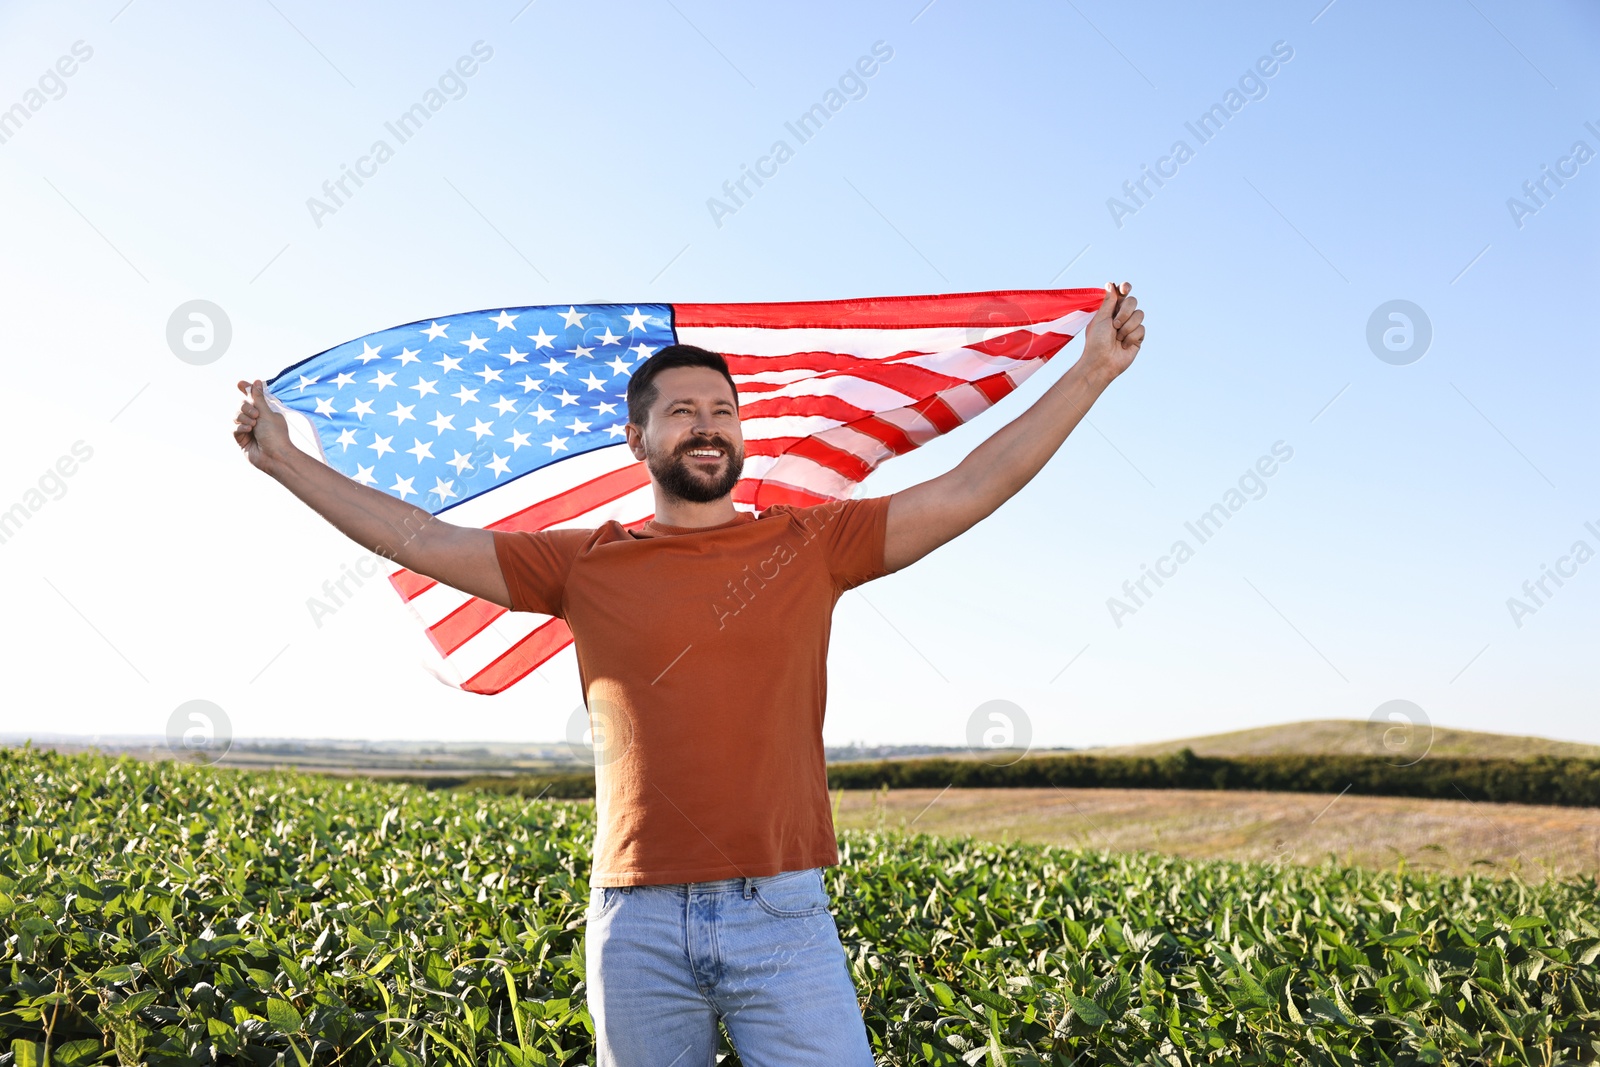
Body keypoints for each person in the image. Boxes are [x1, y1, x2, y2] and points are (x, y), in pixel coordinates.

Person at [233, 282, 1145, 1065]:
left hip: (781, 910)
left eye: (722, 412)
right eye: (682, 412)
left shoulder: (811, 543)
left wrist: (1091, 372)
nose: (707, 428)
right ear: (639, 437)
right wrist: (285, 462)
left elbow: (966, 488)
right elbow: (423, 539)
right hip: (634, 921)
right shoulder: (583, 561)